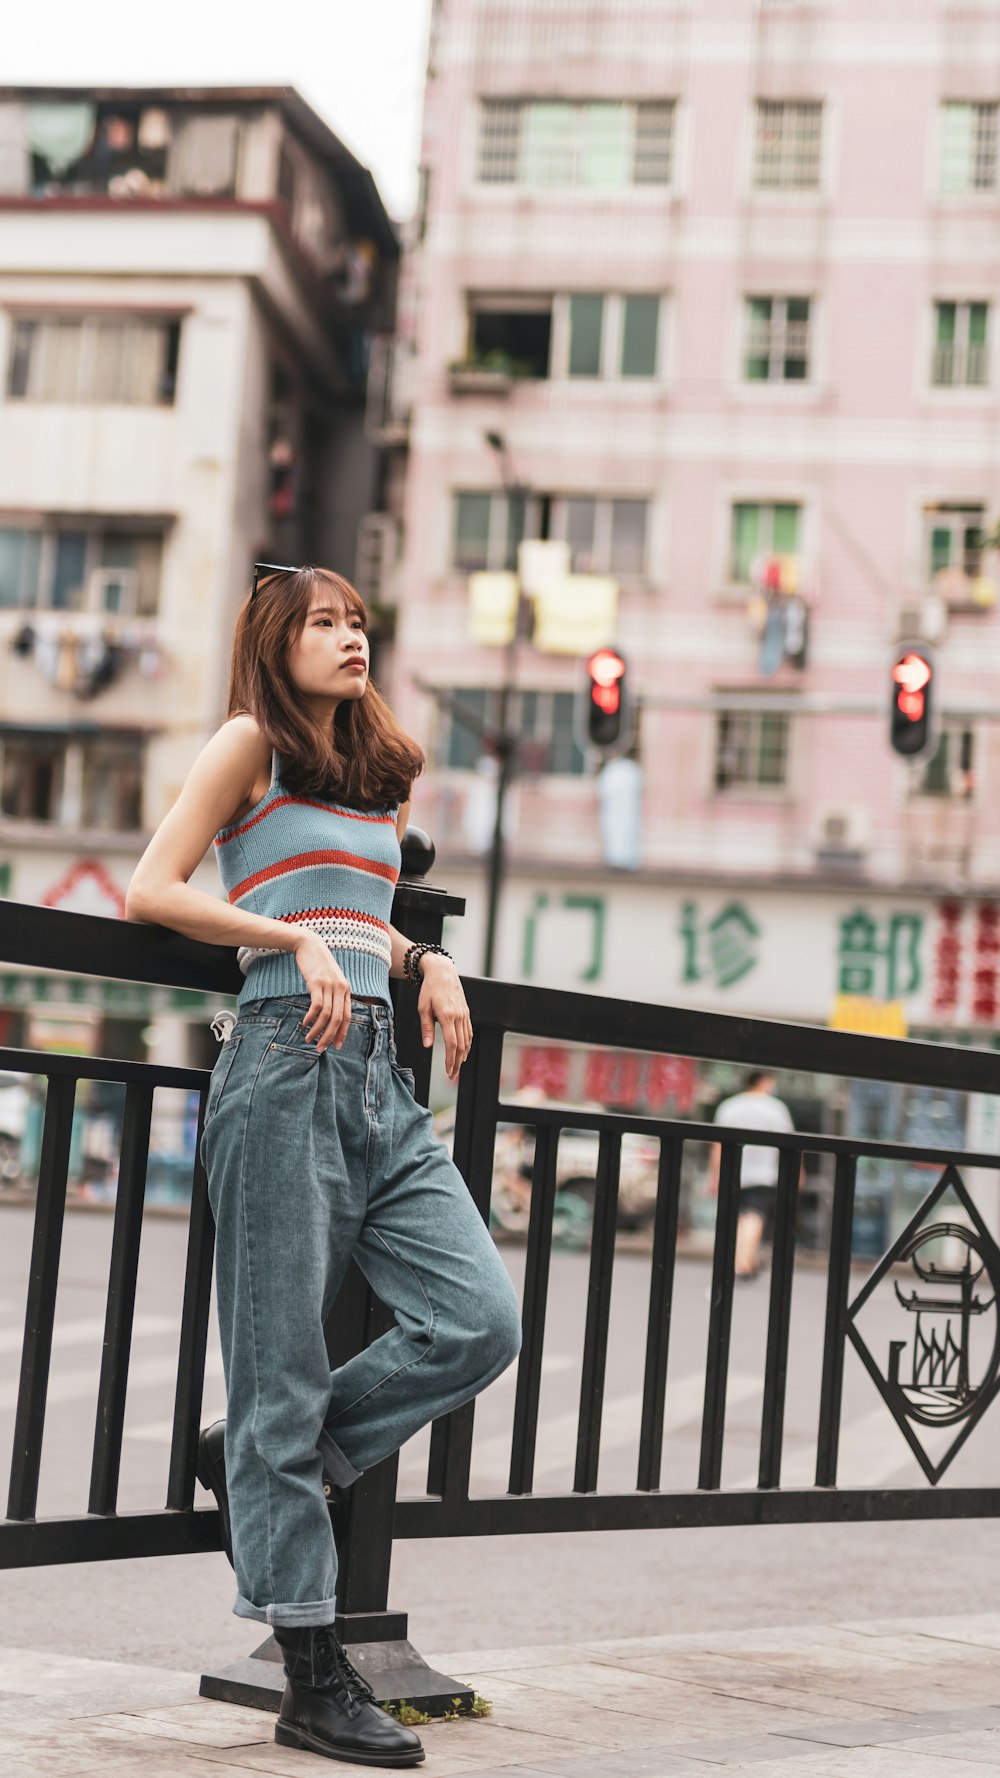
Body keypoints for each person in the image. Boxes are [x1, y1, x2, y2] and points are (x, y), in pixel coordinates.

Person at [125, 564, 522, 1767]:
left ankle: (258, 1460)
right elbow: (154, 889)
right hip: (281, 1064)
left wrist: (418, 960)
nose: (351, 637)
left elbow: (355, 909)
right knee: (282, 1364)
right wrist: (288, 937)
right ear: (274, 641)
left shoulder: (368, 769)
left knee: (479, 1317)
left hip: (377, 1082)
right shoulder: (248, 743)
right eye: (324, 622)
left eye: (358, 620)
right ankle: (309, 1668)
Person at [705, 1069, 795, 1279]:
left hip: (733, 1169)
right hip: (764, 1172)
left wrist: (714, 1174)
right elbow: (791, 1144)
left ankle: (742, 1259)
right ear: (764, 1081)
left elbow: (717, 1144)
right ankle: (743, 1262)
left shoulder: (729, 1106)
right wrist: (797, 1173)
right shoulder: (776, 1108)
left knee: (740, 1217)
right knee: (754, 1215)